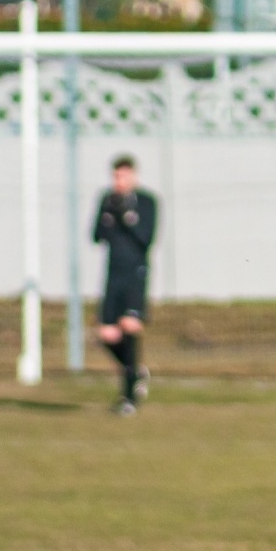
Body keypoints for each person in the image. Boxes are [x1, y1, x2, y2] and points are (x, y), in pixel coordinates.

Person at [92, 155, 158, 416]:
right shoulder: (107, 200)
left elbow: (146, 237)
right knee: (107, 334)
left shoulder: (146, 201)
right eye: (115, 176)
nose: (118, 181)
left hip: (135, 274)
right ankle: (136, 372)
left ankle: (128, 397)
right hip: (112, 274)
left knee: (129, 328)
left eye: (123, 176)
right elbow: (96, 235)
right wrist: (111, 216)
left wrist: (127, 218)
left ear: (133, 176)